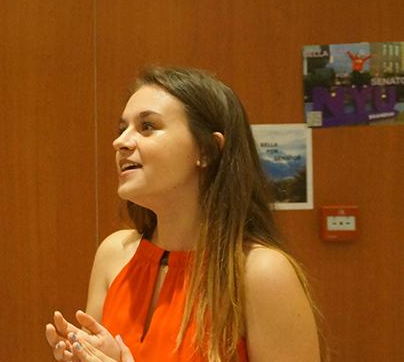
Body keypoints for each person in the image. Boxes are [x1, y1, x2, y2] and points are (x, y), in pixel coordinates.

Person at [46, 67, 322, 362]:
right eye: (121, 129)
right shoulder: (114, 254)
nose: (120, 142)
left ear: (206, 150)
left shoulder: (261, 273)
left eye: (147, 126)